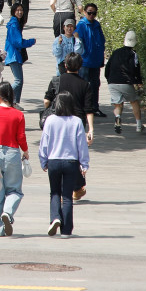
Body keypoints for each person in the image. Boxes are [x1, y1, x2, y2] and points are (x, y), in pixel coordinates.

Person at [43, 54, 96, 199]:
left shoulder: (57, 80)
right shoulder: (85, 85)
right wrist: (90, 130)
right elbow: (88, 109)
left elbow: (46, 100)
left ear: (65, 65)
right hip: (77, 122)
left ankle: (62, 188)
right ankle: (77, 187)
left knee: (57, 151)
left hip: (58, 120)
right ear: (80, 67)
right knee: (76, 154)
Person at [39, 93, 90, 237]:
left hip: (53, 160)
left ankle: (55, 217)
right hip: (71, 162)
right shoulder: (76, 121)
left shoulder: (50, 120)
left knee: (54, 192)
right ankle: (66, 230)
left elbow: (44, 142)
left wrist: (43, 160)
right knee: (67, 196)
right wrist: (84, 163)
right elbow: (81, 145)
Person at [0, 82, 27, 236]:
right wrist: (26, 151)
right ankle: (7, 213)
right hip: (12, 153)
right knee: (15, 190)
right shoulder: (18, 114)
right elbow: (21, 136)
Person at [106, 31, 145, 134]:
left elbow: (108, 67)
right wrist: (138, 81)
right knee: (134, 102)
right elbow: (136, 69)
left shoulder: (115, 52)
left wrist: (109, 78)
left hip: (112, 82)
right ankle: (139, 125)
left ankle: (118, 117)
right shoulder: (133, 54)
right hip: (126, 82)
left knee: (118, 104)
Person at [77, 3, 108, 117]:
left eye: (94, 13)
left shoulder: (97, 24)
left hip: (95, 60)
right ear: (85, 12)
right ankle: (83, 108)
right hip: (85, 61)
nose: (91, 15)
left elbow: (101, 42)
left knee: (95, 84)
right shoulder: (81, 25)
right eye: (89, 12)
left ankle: (95, 107)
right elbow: (78, 43)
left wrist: (101, 58)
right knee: (84, 85)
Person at [3, 2, 36, 104]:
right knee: (18, 81)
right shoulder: (14, 24)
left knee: (20, 81)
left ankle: (14, 102)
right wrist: (31, 41)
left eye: (21, 10)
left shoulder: (16, 23)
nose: (20, 12)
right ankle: (4, 96)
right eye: (17, 10)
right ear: (13, 11)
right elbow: (18, 42)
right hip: (14, 55)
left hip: (14, 54)